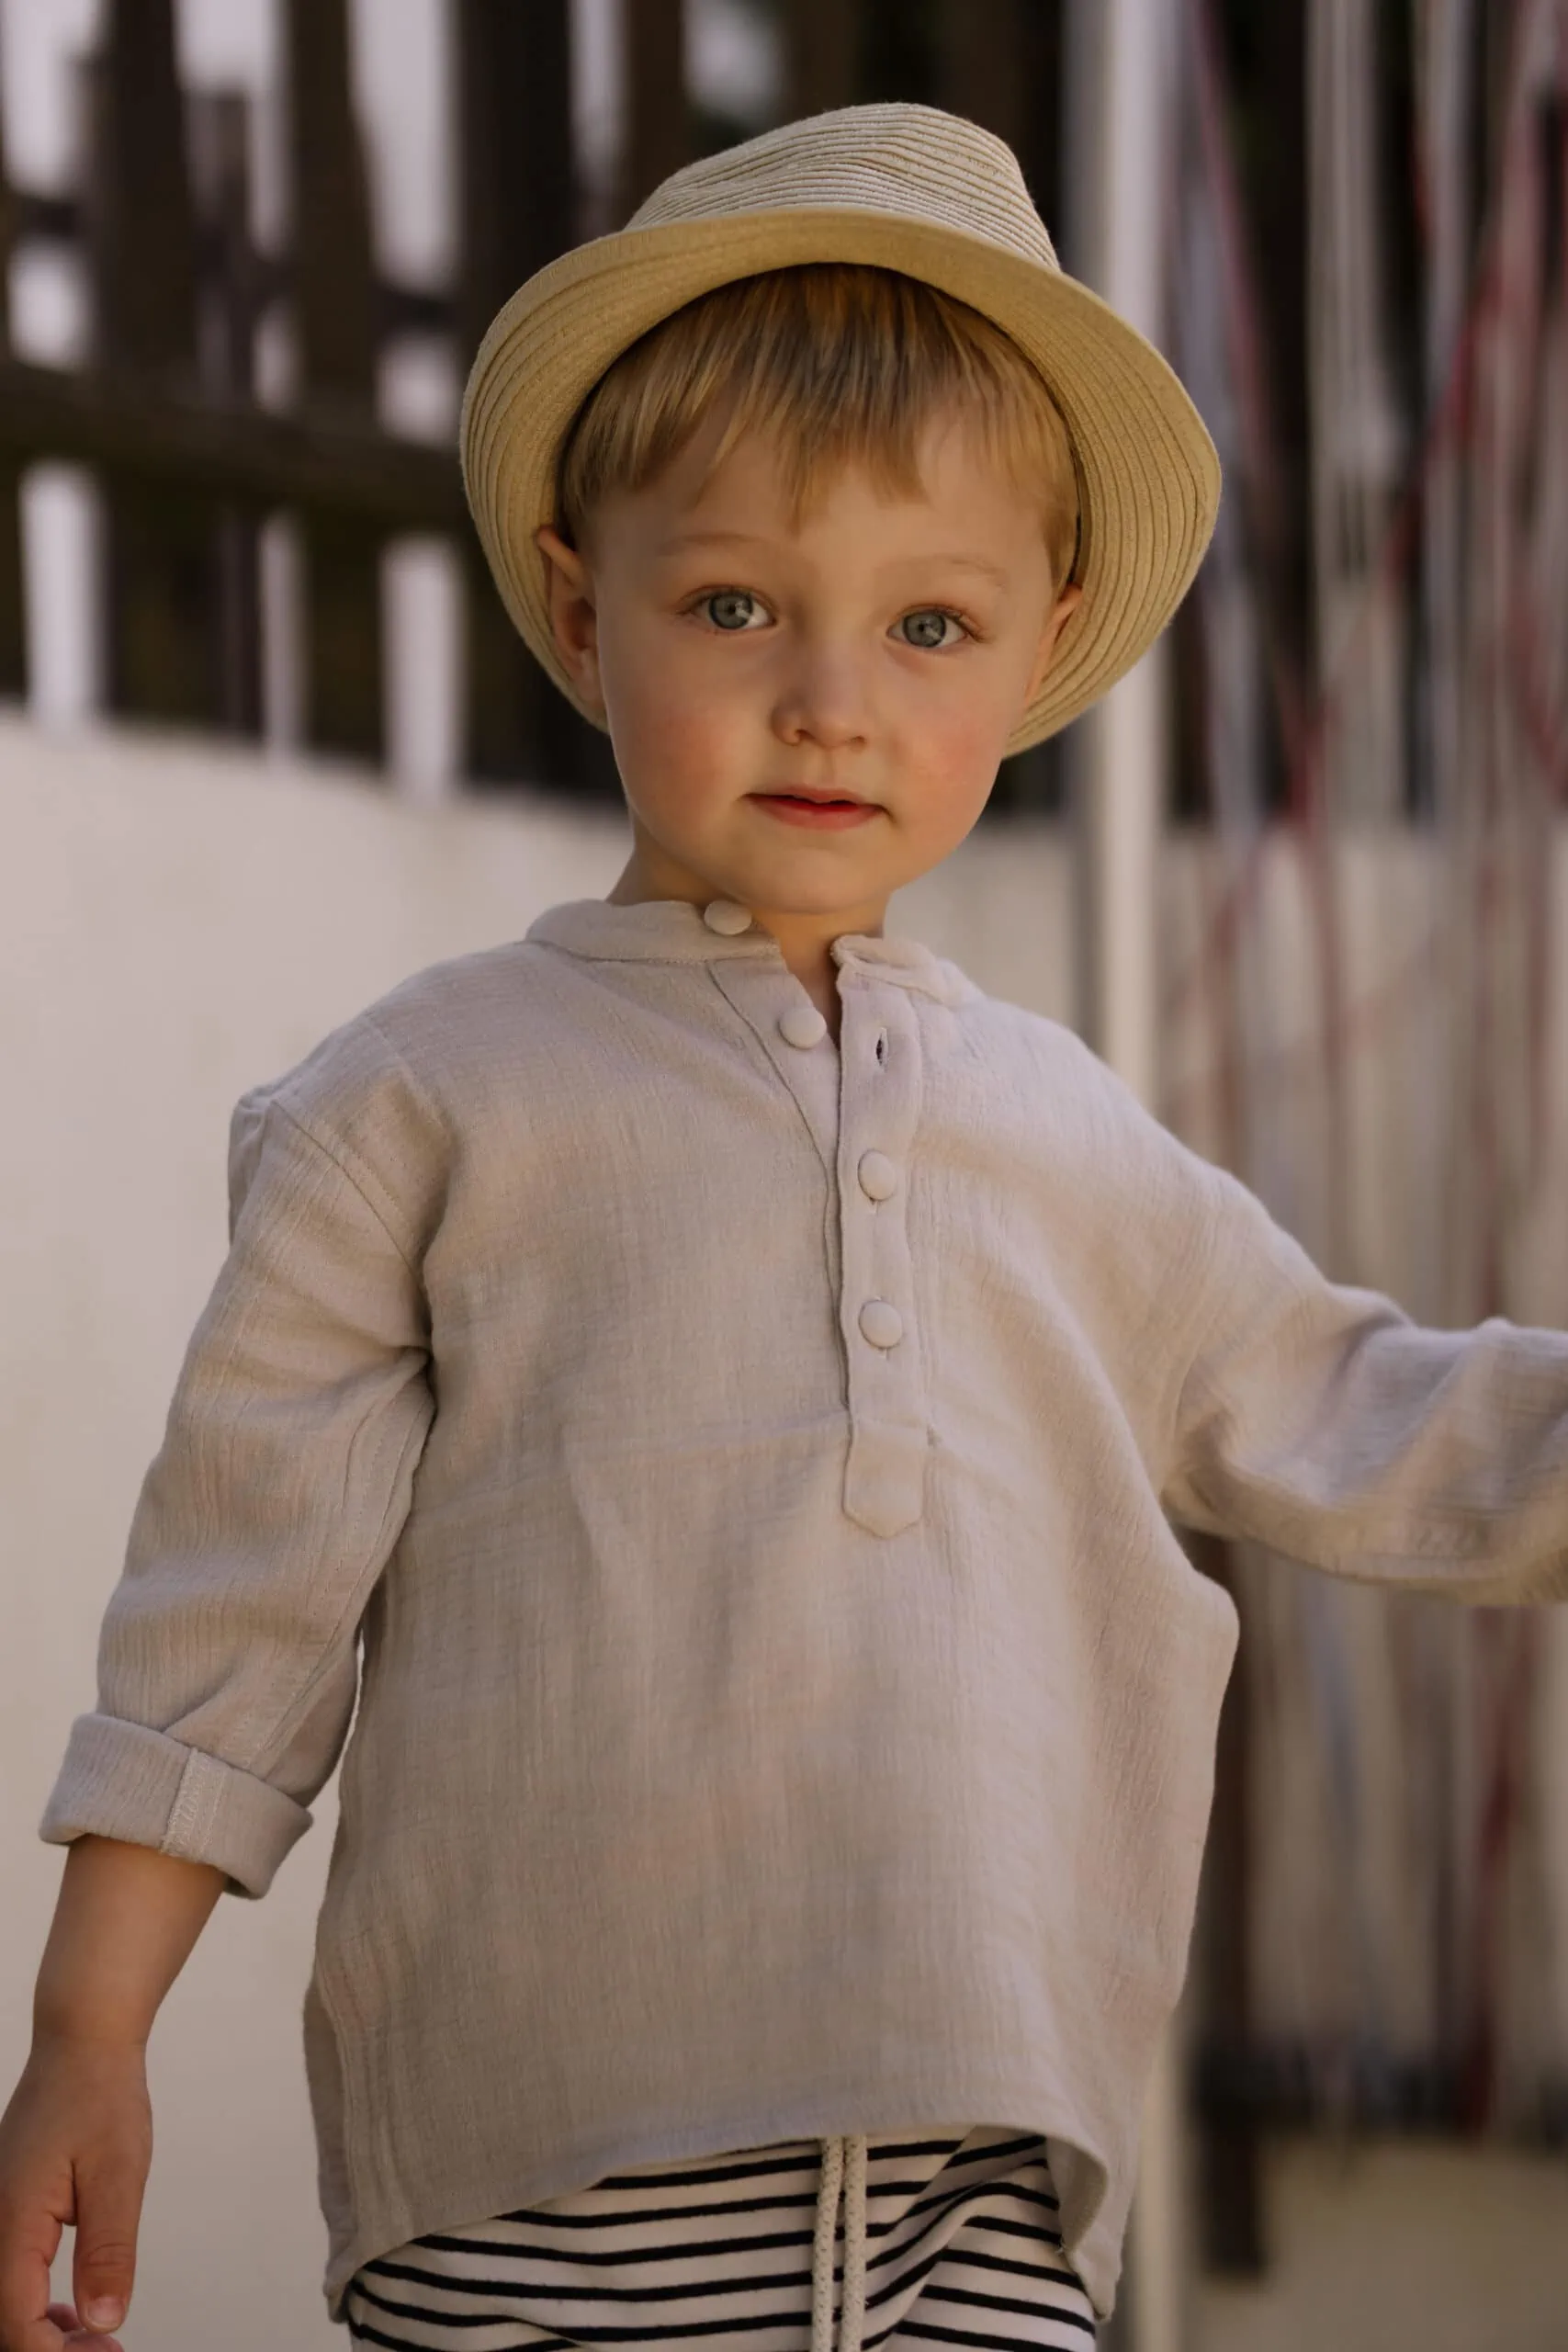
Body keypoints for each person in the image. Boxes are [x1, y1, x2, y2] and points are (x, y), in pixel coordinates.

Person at [1, 99, 1564, 2352]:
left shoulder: (1071, 1137)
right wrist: (89, 2029)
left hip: (982, 2200)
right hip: (547, 2187)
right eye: (735, 600)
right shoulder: (423, 1099)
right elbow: (229, 1610)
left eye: (928, 621)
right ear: (581, 603)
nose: (831, 697)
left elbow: (1362, 1404)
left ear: (1029, 661)